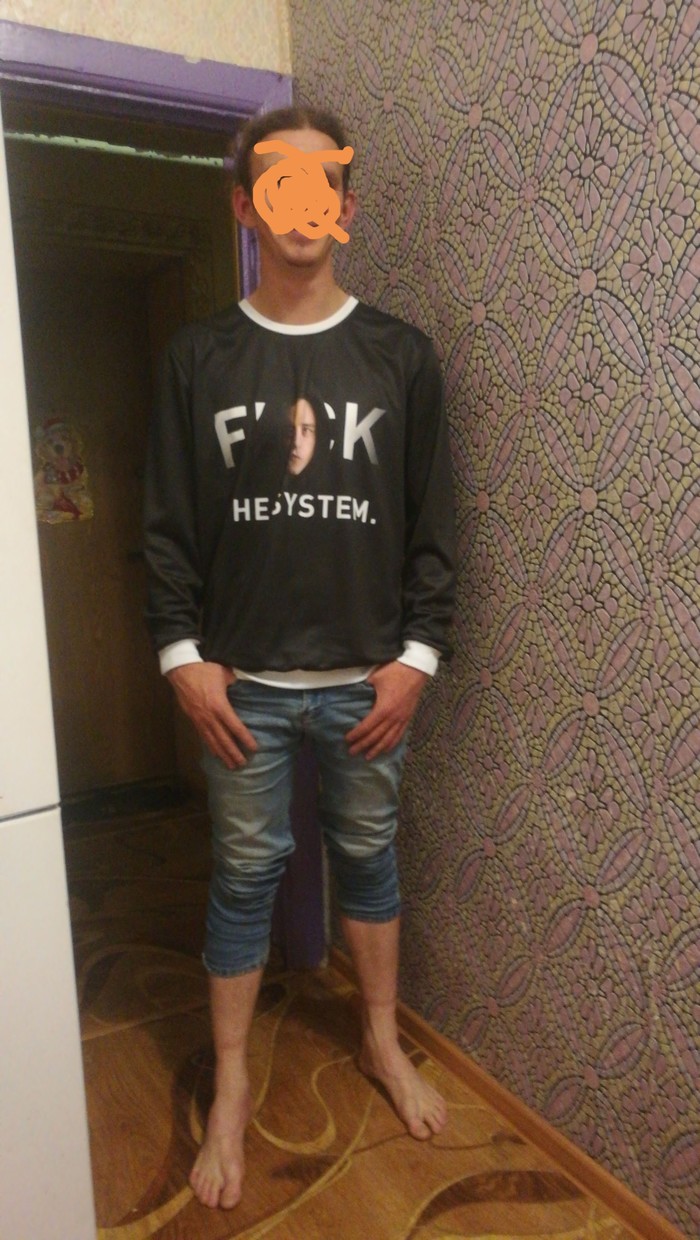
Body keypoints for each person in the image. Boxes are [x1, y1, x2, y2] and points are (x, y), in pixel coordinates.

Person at [143, 105, 456, 1212]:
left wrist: (418, 658)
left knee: (369, 857)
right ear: (245, 205)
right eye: (279, 183)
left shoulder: (401, 356)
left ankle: (380, 1039)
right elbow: (168, 526)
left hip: (372, 680)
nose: (302, 204)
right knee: (244, 877)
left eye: (322, 183)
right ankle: (232, 1080)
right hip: (244, 688)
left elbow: (434, 523)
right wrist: (181, 656)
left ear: (347, 205)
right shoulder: (198, 358)